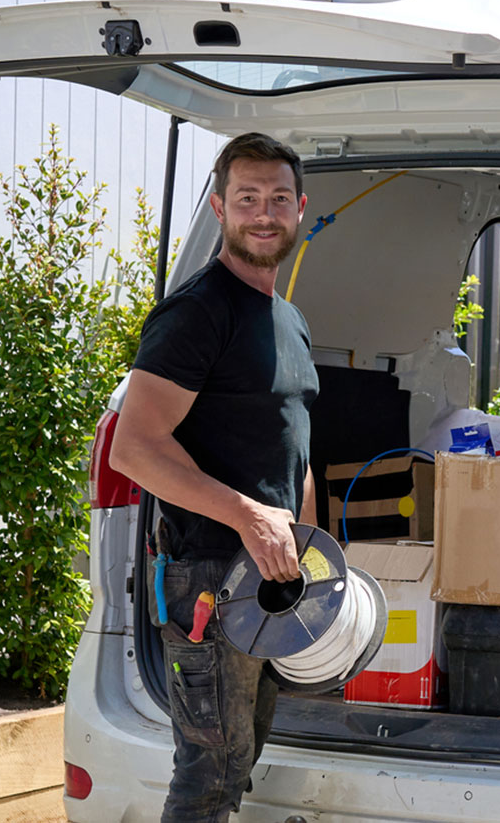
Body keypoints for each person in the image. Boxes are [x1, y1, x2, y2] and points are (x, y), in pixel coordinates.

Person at [109, 132, 318, 822]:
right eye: (248, 198)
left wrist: (310, 547)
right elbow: (133, 448)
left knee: (237, 755)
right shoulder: (199, 309)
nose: (264, 213)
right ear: (221, 207)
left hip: (266, 579)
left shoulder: (287, 320)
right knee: (207, 775)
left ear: (300, 208)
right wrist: (249, 516)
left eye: (278, 199)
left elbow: (291, 447)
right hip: (207, 578)